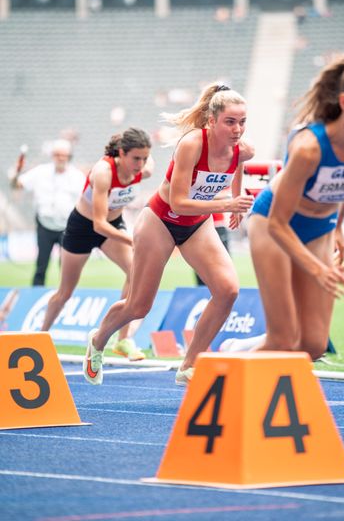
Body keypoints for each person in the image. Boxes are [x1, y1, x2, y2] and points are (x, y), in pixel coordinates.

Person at [82, 83, 255, 386]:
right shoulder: (192, 144)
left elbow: (238, 164)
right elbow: (179, 202)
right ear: (212, 121)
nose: (237, 129)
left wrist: (237, 204)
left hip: (196, 225)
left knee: (228, 289)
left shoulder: (243, 149)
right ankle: (98, 339)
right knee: (139, 306)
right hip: (161, 221)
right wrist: (228, 202)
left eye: (242, 122)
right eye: (230, 121)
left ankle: (189, 366)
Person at [247, 50, 344, 361]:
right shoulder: (309, 149)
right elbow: (277, 223)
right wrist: (318, 269)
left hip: (320, 228)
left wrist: (339, 225)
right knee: (283, 339)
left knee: (313, 345)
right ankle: (220, 364)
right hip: (273, 224)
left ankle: (243, 351)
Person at [41, 127, 154, 360]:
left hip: (113, 227)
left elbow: (147, 162)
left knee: (135, 272)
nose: (140, 164)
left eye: (144, 158)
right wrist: (135, 239)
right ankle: (40, 336)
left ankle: (123, 340)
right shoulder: (103, 171)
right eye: (135, 158)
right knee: (65, 292)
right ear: (121, 153)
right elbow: (99, 225)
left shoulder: (144, 169)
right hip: (84, 227)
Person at [10, 139, 86, 286]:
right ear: (52, 155)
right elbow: (17, 185)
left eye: (64, 155)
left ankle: (66, 295)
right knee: (41, 264)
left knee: (66, 267)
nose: (61, 158)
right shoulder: (40, 172)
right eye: (57, 154)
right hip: (44, 225)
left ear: (69, 156)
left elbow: (85, 201)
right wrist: (15, 174)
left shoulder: (77, 177)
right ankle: (35, 294)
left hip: (68, 228)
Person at [194, 211, 230, 286]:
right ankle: (202, 290)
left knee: (223, 262)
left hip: (217, 224)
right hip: (199, 223)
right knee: (199, 260)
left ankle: (223, 287)